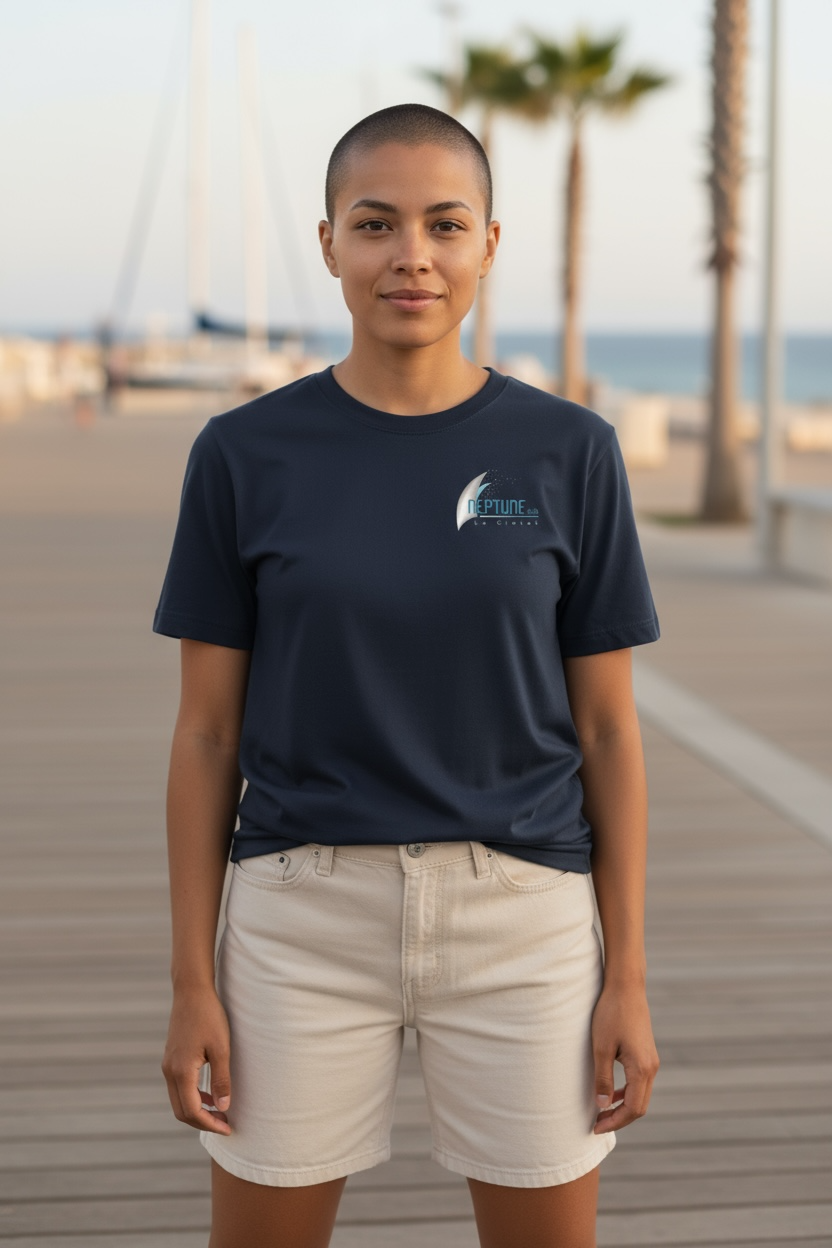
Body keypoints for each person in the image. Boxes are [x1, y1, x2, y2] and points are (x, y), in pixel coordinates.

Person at [153, 102, 661, 1248]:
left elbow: (611, 733)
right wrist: (193, 979)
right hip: (299, 918)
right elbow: (204, 738)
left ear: (489, 242)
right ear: (328, 242)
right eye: (375, 224)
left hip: (524, 921)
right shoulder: (242, 453)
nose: (411, 256)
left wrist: (624, 972)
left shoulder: (568, 450)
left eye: (444, 223)